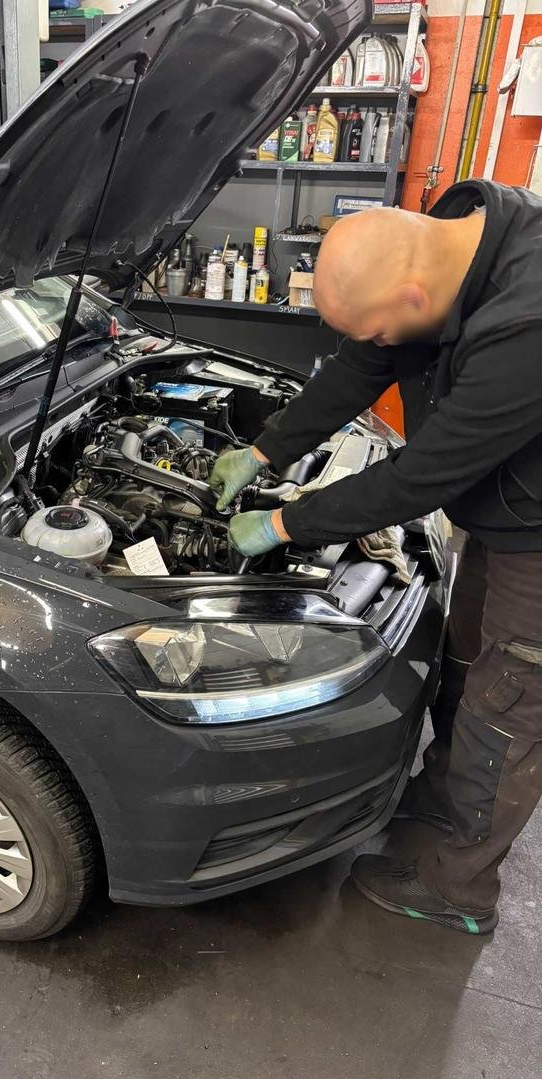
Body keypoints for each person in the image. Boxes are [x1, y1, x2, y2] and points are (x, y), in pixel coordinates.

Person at [208, 180, 542, 935]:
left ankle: (459, 887)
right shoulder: (447, 240)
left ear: (413, 297)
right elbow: (359, 368)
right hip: (507, 503)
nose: (383, 345)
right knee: (469, 663)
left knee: (512, 698)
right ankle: (445, 802)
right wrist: (264, 450)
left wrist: (285, 524)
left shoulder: (528, 321)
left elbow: (421, 478)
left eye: (386, 331)